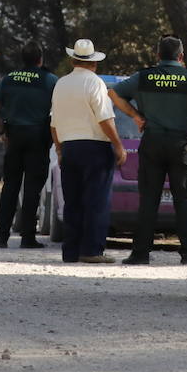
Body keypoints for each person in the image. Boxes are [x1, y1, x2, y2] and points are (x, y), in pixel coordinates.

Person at [108, 35, 187, 266]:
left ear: (157, 55)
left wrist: (135, 116)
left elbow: (113, 93)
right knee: (183, 200)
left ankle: (140, 253)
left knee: (149, 199)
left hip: (152, 142)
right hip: (181, 144)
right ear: (181, 57)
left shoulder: (143, 77)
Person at [51, 38, 128, 264]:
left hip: (69, 147)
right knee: (96, 201)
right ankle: (92, 250)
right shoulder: (95, 83)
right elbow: (105, 118)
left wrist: (59, 149)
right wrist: (118, 145)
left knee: (72, 201)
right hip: (95, 146)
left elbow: (53, 124)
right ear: (94, 63)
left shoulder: (61, 84)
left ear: (73, 60)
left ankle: (71, 251)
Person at [0, 41, 57, 249]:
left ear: (22, 59)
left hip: (14, 137)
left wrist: (2, 132)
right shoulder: (50, 80)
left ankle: (1, 237)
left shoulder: (9, 79)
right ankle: (27, 238)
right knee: (32, 189)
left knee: (10, 186)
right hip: (38, 138)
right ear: (40, 59)